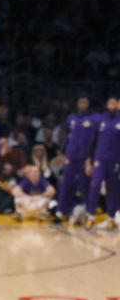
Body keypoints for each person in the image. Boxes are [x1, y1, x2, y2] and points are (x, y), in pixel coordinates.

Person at [57, 96, 99, 225]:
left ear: (89, 103)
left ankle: (89, 213)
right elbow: (68, 137)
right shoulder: (71, 117)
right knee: (66, 184)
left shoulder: (94, 118)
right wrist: (62, 152)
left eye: (84, 102)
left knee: (85, 186)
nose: (82, 104)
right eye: (80, 102)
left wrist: (90, 159)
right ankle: (61, 212)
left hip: (85, 158)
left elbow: (94, 140)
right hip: (71, 157)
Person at [84, 96, 120, 232]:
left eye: (114, 103)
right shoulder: (100, 119)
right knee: (95, 186)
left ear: (117, 105)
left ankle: (111, 219)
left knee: (113, 189)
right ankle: (90, 217)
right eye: (109, 102)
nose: (112, 105)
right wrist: (89, 161)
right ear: (106, 104)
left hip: (115, 160)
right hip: (100, 159)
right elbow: (92, 142)